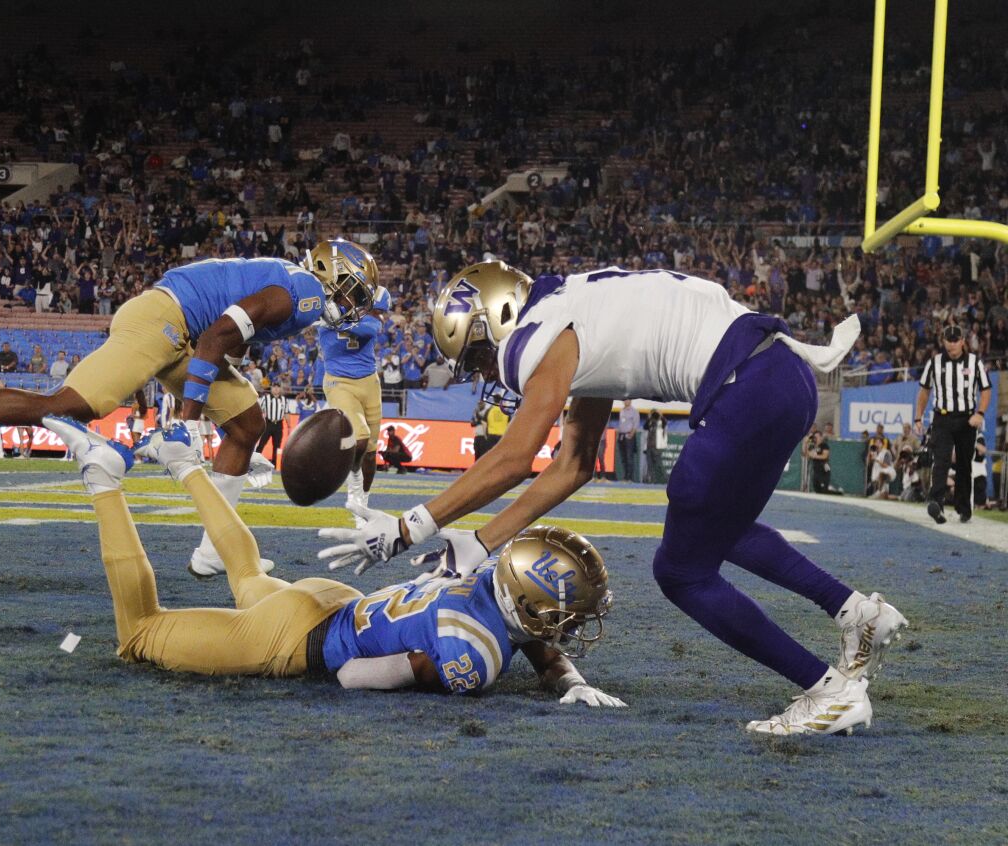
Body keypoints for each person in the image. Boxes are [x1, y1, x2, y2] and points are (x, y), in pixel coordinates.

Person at [319, 261, 909, 736]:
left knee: (681, 571)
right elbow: (571, 466)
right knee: (715, 528)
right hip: (781, 378)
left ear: (494, 316)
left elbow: (517, 455)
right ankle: (857, 612)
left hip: (746, 387)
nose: (484, 371)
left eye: (476, 354)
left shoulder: (539, 333)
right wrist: (479, 539)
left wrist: (407, 527)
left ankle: (828, 691)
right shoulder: (577, 315)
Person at [0, 240, 379, 580]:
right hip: (167, 319)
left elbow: (228, 339)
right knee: (65, 406)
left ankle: (210, 551)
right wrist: (188, 420)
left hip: (186, 328)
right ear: (329, 274)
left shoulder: (291, 287)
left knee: (246, 424)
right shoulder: (304, 293)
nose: (357, 303)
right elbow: (219, 335)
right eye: (354, 289)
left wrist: (209, 395)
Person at [44, 418, 624, 706]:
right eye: (569, 612)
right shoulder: (473, 656)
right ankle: (102, 475)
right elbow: (353, 677)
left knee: (247, 575)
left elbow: (537, 645)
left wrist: (569, 679)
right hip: (297, 639)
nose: (570, 624)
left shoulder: (486, 577)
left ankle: (182, 459)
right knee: (139, 633)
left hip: (333, 600)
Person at [319, 284, 391, 516]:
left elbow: (369, 329)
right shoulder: (325, 311)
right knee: (360, 438)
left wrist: (338, 320)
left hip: (369, 383)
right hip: (339, 382)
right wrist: (331, 316)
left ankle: (363, 505)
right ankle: (354, 479)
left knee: (371, 452)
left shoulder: (367, 311)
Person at [913, 324, 992, 524]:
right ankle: (936, 504)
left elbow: (986, 390)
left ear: (963, 341)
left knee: (965, 464)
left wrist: (980, 413)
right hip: (942, 417)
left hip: (967, 419)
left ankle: (963, 508)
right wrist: (918, 417)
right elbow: (924, 390)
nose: (952, 344)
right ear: (944, 342)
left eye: (956, 340)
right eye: (949, 341)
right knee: (941, 460)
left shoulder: (974, 363)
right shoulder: (935, 362)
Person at [255, 384, 292, 461]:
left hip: (278, 424)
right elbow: (259, 412)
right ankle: (254, 462)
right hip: (268, 423)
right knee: (261, 444)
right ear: (271, 388)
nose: (276, 389)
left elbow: (286, 413)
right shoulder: (265, 398)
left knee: (277, 446)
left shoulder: (284, 400)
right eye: (274, 387)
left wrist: (289, 426)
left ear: (280, 389)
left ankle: (275, 464)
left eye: (278, 387)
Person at [616, 399, 640, 482]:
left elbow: (636, 424)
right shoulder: (622, 411)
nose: (626, 402)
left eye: (627, 400)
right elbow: (621, 423)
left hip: (628, 435)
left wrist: (632, 434)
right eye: (624, 400)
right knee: (623, 457)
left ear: (630, 401)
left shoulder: (634, 411)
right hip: (621, 435)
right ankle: (625, 477)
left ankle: (630, 478)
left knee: (629, 457)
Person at [644, 410, 667, 484]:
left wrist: (660, 415)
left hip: (657, 447)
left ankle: (664, 480)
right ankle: (652, 480)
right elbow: (645, 427)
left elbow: (665, 422)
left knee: (659, 464)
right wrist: (649, 418)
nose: (654, 416)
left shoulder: (661, 422)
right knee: (650, 465)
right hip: (649, 446)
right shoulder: (650, 422)